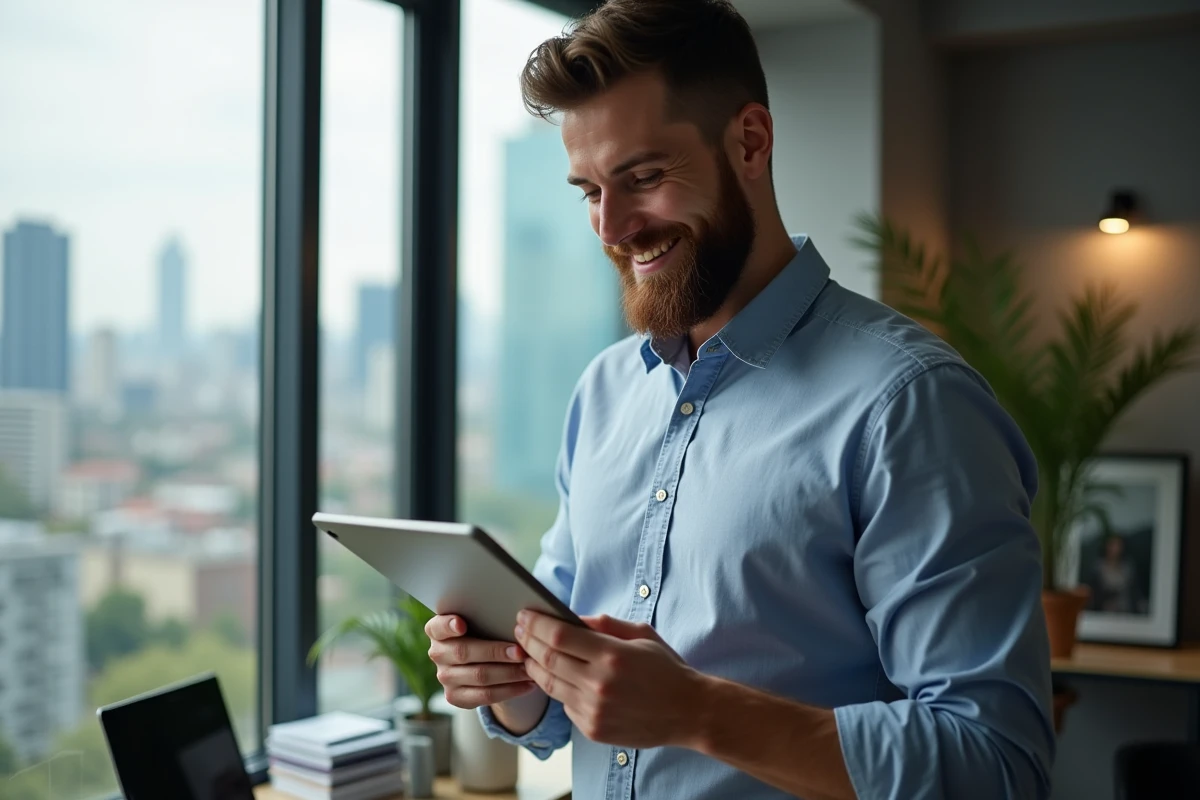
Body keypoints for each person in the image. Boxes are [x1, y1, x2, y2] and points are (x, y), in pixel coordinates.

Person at [426, 1, 1055, 798]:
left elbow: (995, 765)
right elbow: (557, 702)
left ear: (750, 142)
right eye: (588, 190)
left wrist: (697, 711)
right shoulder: (604, 393)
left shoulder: (908, 406)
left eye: (643, 178)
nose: (612, 227)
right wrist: (509, 680)